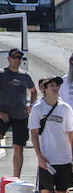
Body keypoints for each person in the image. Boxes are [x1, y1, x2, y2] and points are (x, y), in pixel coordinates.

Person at [29, 76, 73, 193]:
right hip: (46, 158)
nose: (55, 88)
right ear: (44, 89)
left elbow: (71, 133)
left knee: (62, 192)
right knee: (45, 191)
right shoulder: (38, 109)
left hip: (64, 157)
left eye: (57, 85)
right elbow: (34, 134)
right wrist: (39, 156)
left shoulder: (65, 108)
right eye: (52, 85)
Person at [1, 48, 36, 177]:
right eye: (14, 57)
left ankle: (16, 177)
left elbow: (33, 91)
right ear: (9, 58)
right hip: (4, 113)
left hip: (20, 115)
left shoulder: (25, 75)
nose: (17, 60)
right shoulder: (2, 73)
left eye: (19, 58)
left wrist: (31, 105)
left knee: (18, 146)